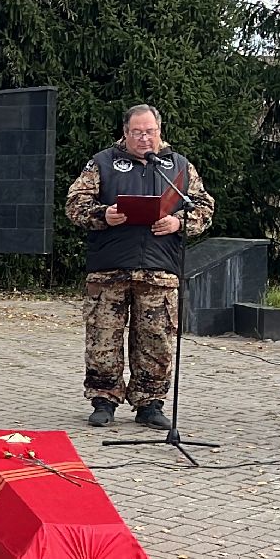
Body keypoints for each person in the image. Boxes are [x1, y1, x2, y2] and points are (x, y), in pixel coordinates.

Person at [63, 103, 215, 428]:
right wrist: (104, 215)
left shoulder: (177, 167)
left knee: (156, 340)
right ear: (125, 132)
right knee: (103, 339)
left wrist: (177, 222)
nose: (144, 138)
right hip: (109, 269)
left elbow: (203, 208)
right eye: (137, 132)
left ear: (160, 132)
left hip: (159, 271)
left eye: (149, 132)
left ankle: (151, 403)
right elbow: (75, 204)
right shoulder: (102, 163)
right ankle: (104, 400)